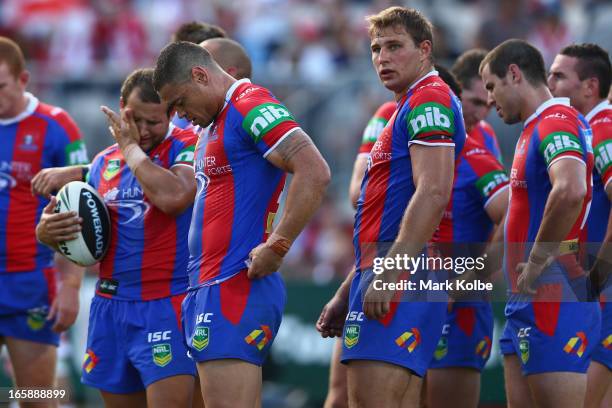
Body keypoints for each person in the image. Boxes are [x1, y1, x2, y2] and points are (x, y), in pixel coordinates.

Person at [152, 41, 330, 407]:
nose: (180, 117)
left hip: (231, 286)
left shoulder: (248, 103)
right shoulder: (213, 125)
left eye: (179, 103)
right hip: (208, 287)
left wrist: (279, 244)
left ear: (200, 75)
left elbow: (314, 169)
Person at [319, 7, 466, 407]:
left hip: (402, 276)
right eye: (375, 48)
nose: (382, 57)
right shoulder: (407, 104)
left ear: (424, 50)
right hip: (393, 271)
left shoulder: (429, 97)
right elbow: (392, 215)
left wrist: (389, 274)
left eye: (394, 46)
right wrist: (349, 288)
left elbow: (433, 191)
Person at [36, 68, 199, 408]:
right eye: (134, 119)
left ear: (170, 113)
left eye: (153, 122)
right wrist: (48, 232)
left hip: (167, 304)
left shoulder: (186, 146)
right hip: (110, 307)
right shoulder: (102, 163)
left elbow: (174, 198)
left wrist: (128, 147)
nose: (142, 131)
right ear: (121, 106)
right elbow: (78, 235)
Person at [480, 39, 599, 408]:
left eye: (491, 86)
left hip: (552, 293)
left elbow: (571, 189)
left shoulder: (556, 120)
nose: (488, 100)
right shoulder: (535, 128)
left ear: (514, 74)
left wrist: (535, 262)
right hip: (529, 295)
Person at [0, 36, 88, 402]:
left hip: (30, 284)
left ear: (24, 80)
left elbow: (81, 206)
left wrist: (69, 287)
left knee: (36, 396)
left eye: (0, 86)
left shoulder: (57, 127)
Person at [425, 59, 510, 408]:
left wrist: (472, 279)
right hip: (411, 297)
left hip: (457, 310)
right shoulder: (412, 148)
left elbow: (515, 216)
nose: (481, 113)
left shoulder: (476, 153)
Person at [548, 43, 612, 408]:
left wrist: (595, 282)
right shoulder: (585, 129)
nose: (550, 82)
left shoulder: (601, 127)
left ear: (589, 86)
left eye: (559, 75)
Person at [452, 49, 502, 161]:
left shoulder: (486, 135)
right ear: (454, 89)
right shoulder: (428, 127)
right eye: (476, 102)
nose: (481, 116)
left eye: (489, 106)